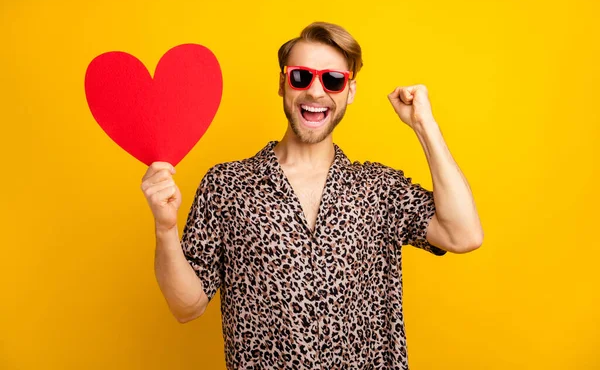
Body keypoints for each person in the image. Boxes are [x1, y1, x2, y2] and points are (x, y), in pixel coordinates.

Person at [141, 22, 484, 369]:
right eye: (301, 77)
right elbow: (187, 306)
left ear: (349, 90)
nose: (316, 92)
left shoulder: (379, 189)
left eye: (332, 80)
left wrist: (424, 125)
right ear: (282, 84)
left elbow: (463, 234)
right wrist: (165, 228)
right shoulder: (227, 186)